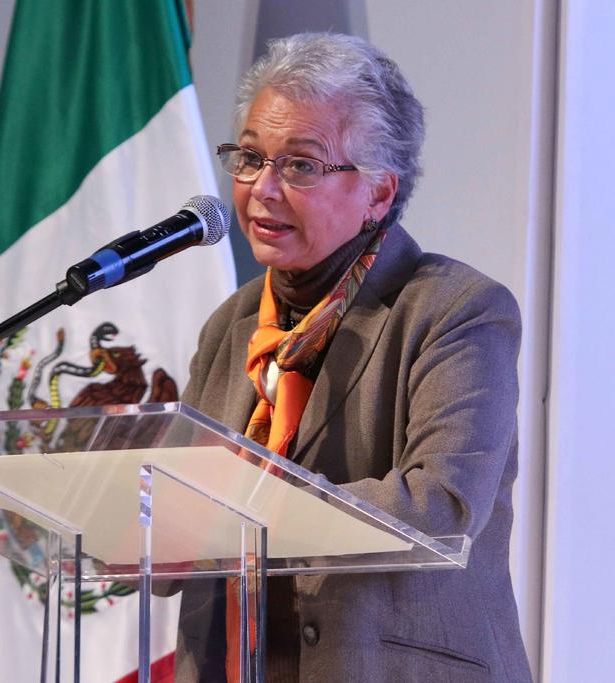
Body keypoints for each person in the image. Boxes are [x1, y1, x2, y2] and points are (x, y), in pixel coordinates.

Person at [177, 33, 532, 682]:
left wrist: (250, 509)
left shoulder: (456, 309)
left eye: (301, 165)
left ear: (378, 193)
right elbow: (176, 517)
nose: (262, 188)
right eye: (250, 157)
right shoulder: (231, 324)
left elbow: (441, 506)